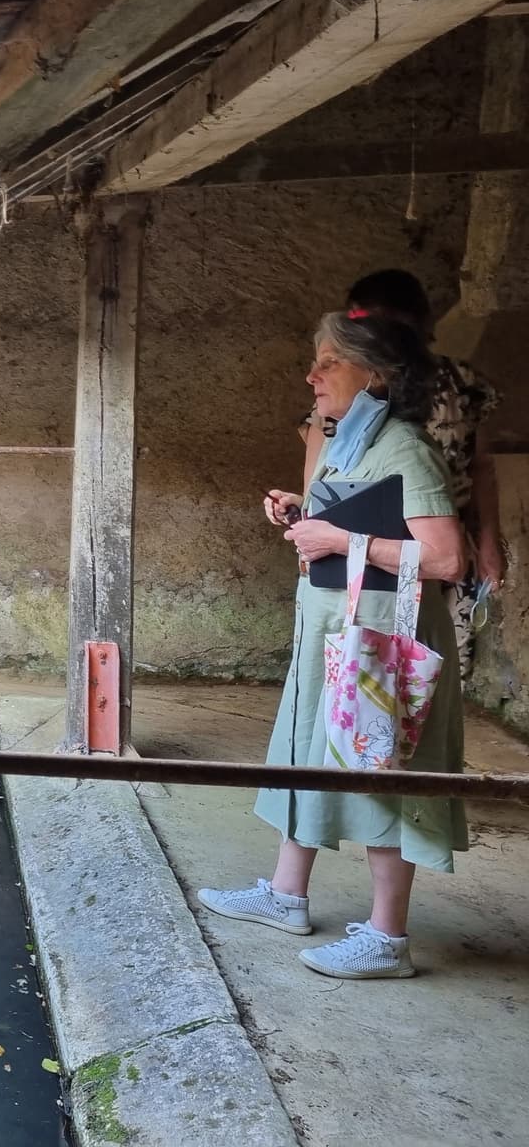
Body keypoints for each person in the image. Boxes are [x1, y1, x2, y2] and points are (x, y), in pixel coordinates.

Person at [201, 311, 466, 980]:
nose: (312, 375)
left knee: (381, 774)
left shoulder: (404, 445)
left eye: (329, 361)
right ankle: (286, 895)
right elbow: (356, 519)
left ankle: (387, 938)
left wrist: (340, 542)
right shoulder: (351, 437)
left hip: (384, 641)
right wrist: (304, 512)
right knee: (308, 758)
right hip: (337, 630)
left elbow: (444, 559)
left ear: (373, 373)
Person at [300, 269, 504, 681]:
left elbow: (480, 466)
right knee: (371, 667)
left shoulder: (458, 384)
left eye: (373, 319)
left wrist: (487, 542)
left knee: (430, 665)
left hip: (442, 534)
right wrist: (307, 520)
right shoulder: (347, 401)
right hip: (370, 556)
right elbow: (322, 463)